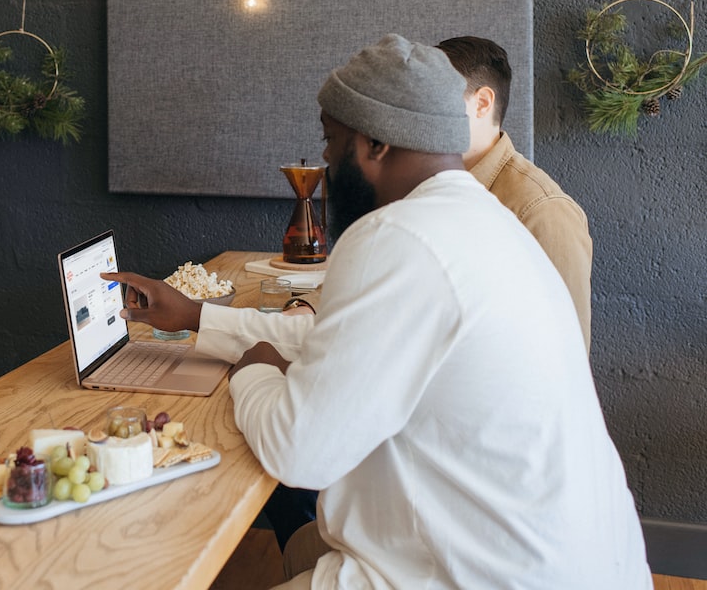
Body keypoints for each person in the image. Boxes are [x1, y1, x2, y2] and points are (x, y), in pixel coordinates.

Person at [103, 34, 649, 589]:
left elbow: (298, 452)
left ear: (374, 145)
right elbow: (336, 339)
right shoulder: (489, 220)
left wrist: (256, 371)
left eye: (330, 139)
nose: (323, 159)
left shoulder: (395, 234)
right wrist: (199, 317)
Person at [437, 36, 593, 351]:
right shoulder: (435, 188)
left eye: (434, 100)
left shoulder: (543, 210)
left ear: (482, 103)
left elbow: (565, 353)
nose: (420, 117)